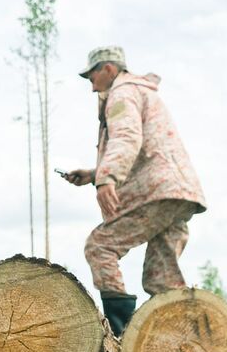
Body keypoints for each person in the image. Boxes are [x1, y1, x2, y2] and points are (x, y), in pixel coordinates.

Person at [63, 46, 206, 337]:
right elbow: (144, 147)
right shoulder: (144, 93)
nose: (91, 87)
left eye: (92, 78)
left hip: (156, 190)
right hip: (178, 190)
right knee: (162, 278)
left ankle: (125, 337)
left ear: (108, 69)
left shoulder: (122, 93)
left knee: (100, 247)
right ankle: (187, 342)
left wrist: (107, 178)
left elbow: (127, 136)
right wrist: (94, 175)